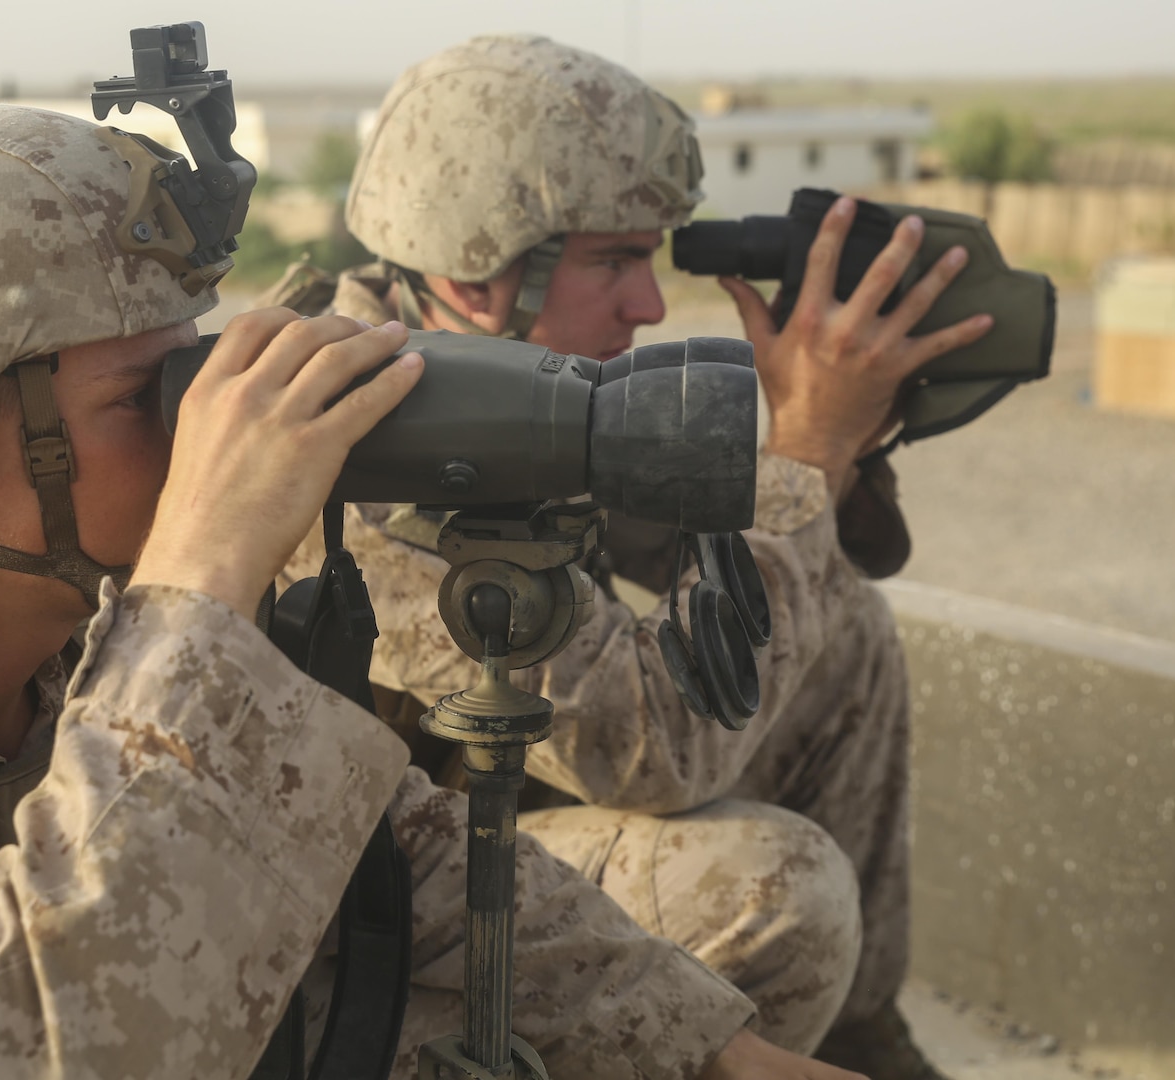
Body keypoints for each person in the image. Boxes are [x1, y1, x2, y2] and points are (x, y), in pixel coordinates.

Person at [0, 102, 872, 1079]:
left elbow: (390, 862)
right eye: (144, 397)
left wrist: (718, 1056)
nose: (208, 422)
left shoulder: (64, 655)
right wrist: (198, 584)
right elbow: (7, 1046)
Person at [272, 35, 994, 1079]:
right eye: (613, 261)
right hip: (367, 920)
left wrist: (834, 436)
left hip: (486, 806)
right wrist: (807, 451)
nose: (649, 305)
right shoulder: (357, 444)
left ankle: (859, 1040)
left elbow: (719, 555)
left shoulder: (496, 374)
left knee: (840, 626)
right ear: (477, 269)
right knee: (772, 890)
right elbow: (649, 747)